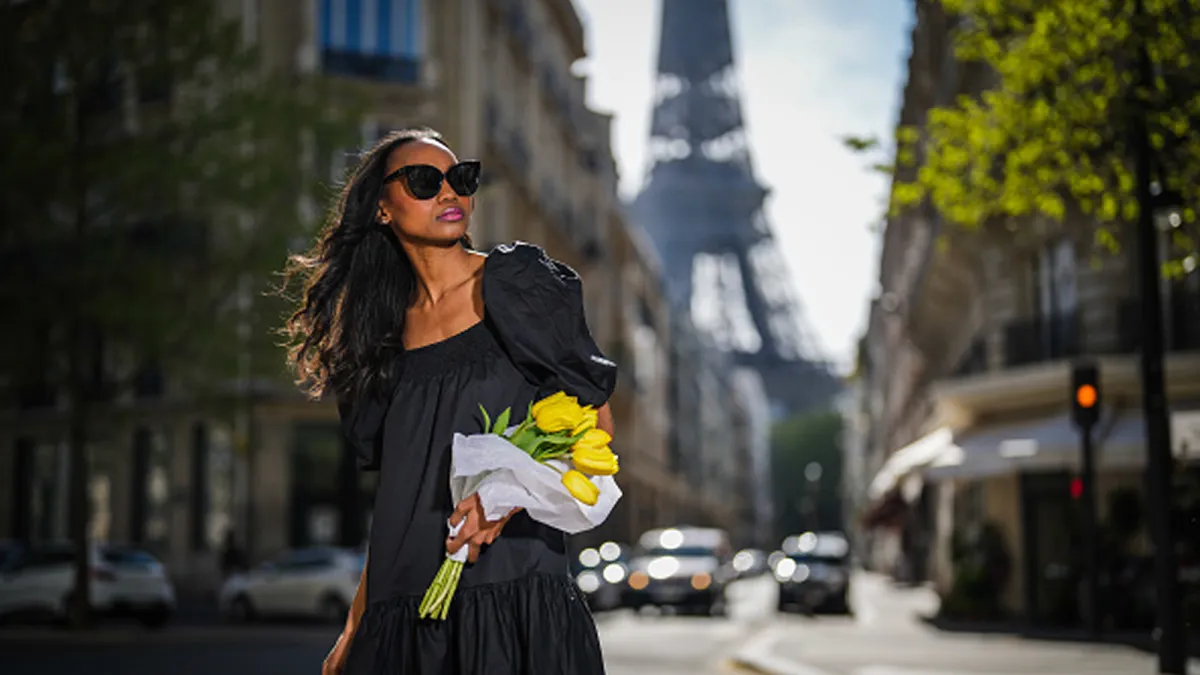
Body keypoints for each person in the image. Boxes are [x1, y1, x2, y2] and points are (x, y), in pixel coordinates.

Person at [282, 127, 617, 674]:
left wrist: (504, 496)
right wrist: (353, 628)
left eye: (461, 179)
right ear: (383, 209)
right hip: (404, 615)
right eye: (422, 180)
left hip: (513, 598)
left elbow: (594, 420)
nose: (449, 193)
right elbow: (397, 502)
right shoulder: (376, 337)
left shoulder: (515, 285)